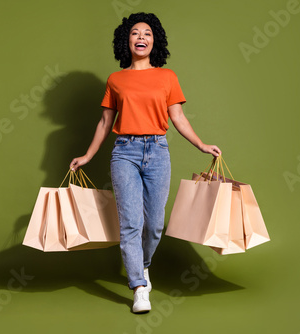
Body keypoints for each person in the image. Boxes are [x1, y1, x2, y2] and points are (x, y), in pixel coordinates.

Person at [69, 12, 221, 313]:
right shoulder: (116, 80)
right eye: (136, 33)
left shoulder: (167, 77)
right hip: (124, 151)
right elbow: (104, 122)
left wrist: (202, 145)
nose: (141, 37)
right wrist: (87, 156)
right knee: (130, 223)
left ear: (156, 41)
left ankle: (143, 265)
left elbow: (177, 117)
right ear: (127, 40)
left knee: (153, 224)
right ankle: (139, 287)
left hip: (158, 151)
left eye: (148, 33)